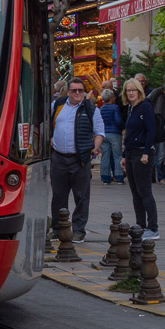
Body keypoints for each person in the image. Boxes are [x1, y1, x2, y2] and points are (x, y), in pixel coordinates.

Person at [50, 77, 103, 242]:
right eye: (74, 90)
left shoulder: (91, 109)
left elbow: (100, 131)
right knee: (58, 196)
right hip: (58, 158)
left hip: (80, 159)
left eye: (81, 90)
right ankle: (57, 229)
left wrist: (94, 147)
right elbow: (48, 124)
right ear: (68, 91)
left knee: (81, 196)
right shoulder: (57, 105)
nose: (78, 93)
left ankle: (79, 230)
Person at [122, 78, 160, 240]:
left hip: (142, 153)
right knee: (135, 192)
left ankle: (153, 228)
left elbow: (151, 130)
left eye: (133, 90)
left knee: (144, 191)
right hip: (131, 153)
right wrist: (124, 155)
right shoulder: (131, 109)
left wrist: (146, 152)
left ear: (139, 91)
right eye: (128, 90)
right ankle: (140, 225)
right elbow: (129, 133)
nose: (131, 93)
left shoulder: (145, 106)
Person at [97, 88, 124, 185]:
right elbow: (118, 121)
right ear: (111, 98)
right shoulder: (115, 107)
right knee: (117, 156)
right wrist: (122, 126)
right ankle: (119, 177)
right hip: (115, 133)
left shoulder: (102, 108)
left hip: (105, 134)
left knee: (105, 156)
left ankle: (105, 177)